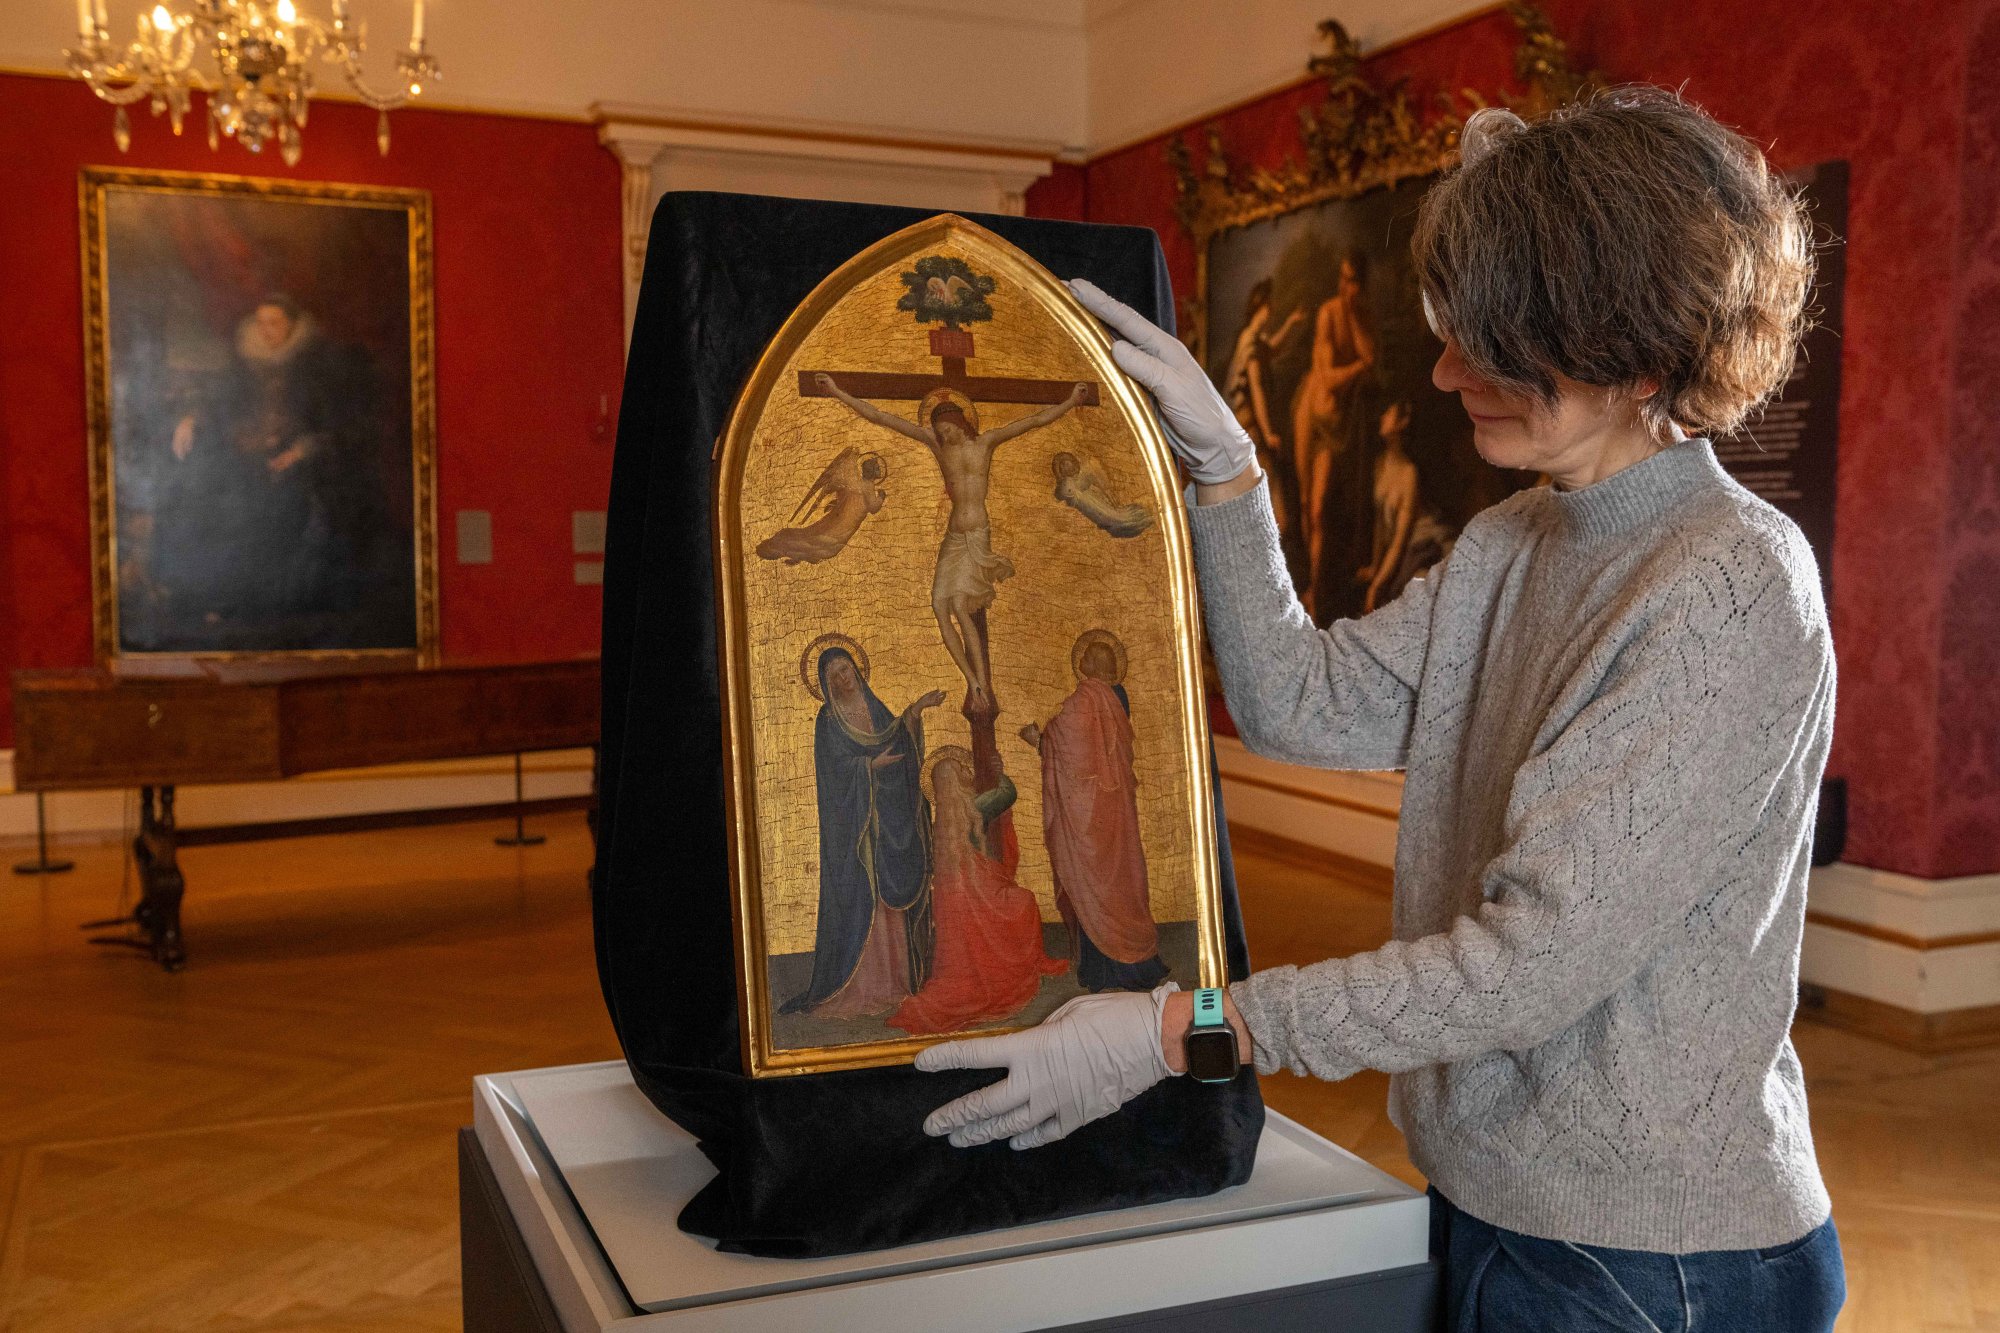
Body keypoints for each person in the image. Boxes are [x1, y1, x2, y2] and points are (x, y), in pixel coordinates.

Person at [917, 89, 1844, 1331]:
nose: (1449, 372)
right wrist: (1229, 476)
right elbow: (1301, 705)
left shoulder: (1725, 584)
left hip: (1652, 1254)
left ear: (1635, 349)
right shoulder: (1516, 537)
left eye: (1498, 343)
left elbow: (1520, 974)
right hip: (1500, 1199)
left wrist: (1177, 1030)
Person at [815, 374, 1091, 708]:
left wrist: (1070, 402)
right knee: (939, 605)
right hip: (954, 535)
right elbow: (882, 417)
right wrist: (837, 391)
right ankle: (972, 680)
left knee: (960, 605)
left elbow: (1032, 422)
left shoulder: (986, 443)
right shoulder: (936, 444)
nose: (944, 436)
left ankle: (982, 684)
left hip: (976, 532)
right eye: (940, 432)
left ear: (961, 422)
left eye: (948, 429)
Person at [779, 643, 944, 1018]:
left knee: (890, 898)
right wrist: (867, 768)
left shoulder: (874, 707)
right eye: (835, 674)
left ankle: (896, 984)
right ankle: (859, 988)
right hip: (855, 831)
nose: (844, 676)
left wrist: (915, 712)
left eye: (847, 668)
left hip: (886, 822)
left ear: (857, 668)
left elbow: (896, 738)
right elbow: (833, 774)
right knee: (864, 897)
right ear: (826, 683)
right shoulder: (828, 721)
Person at [1019, 631, 1169, 992]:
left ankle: (1104, 971)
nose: (1082, 664)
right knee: (1121, 879)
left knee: (1094, 883)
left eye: (1088, 659)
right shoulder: (1118, 698)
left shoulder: (1084, 700)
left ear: (1089, 665)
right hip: (1117, 813)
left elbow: (1071, 753)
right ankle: (1137, 964)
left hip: (1090, 816)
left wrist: (1038, 738)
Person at [888, 745, 1067, 1035]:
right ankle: (1013, 968)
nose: (967, 773)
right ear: (954, 784)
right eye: (961, 772)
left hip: (968, 902)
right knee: (1024, 902)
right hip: (980, 902)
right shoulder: (972, 809)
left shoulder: (943, 825)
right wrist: (1000, 774)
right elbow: (1007, 794)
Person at [1289, 253, 1376, 620]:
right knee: (1313, 504)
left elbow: (1374, 358)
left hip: (1342, 424)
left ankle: (1321, 591)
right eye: (1342, 279)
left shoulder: (1361, 318)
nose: (1345, 288)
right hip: (1312, 415)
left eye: (1352, 281)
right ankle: (1312, 589)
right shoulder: (1327, 314)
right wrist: (1358, 365)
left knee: (1332, 508)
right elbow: (1326, 378)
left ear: (1361, 285)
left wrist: (1355, 318)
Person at [1357, 401, 1454, 612]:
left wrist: (1376, 586)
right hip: (1405, 551)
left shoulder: (1409, 474)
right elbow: (1381, 525)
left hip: (1428, 546)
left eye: (1389, 413)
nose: (1383, 417)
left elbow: (1400, 540)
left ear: (1402, 423)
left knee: (1415, 596)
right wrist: (1376, 567)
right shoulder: (1380, 464)